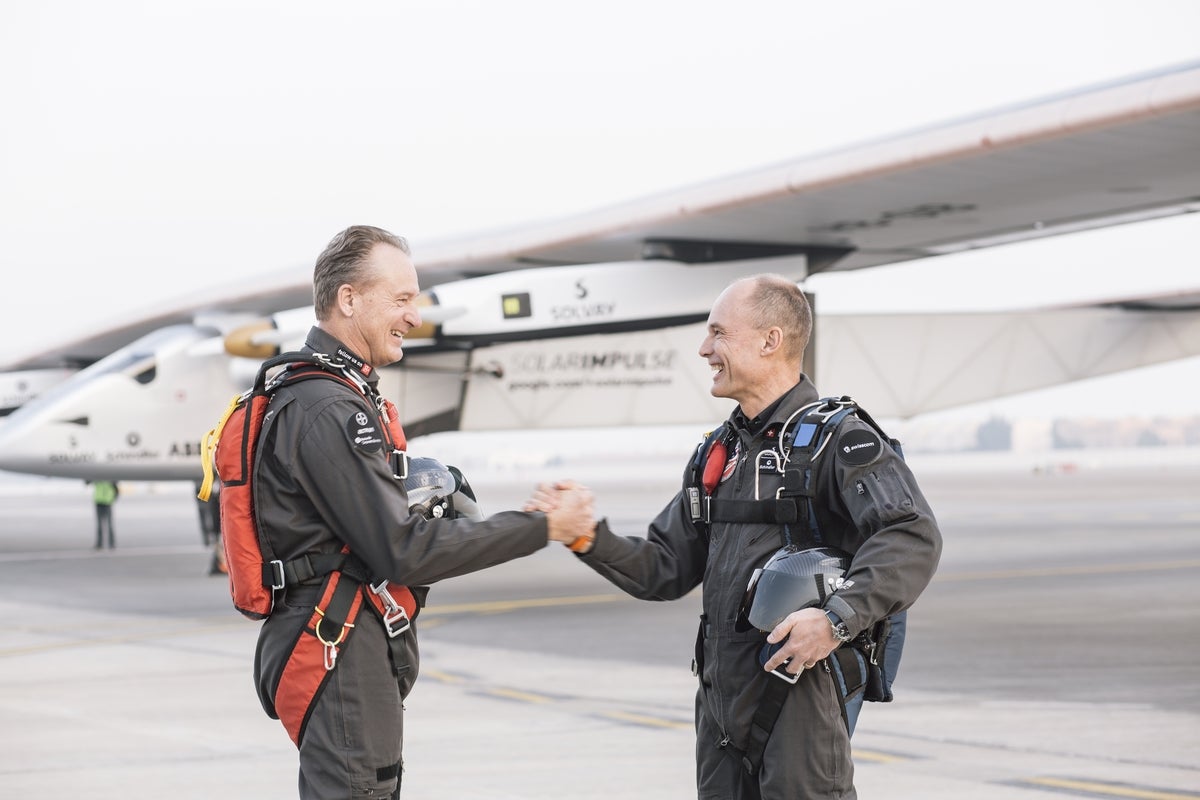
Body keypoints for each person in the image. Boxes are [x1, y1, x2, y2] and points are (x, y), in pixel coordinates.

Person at [529, 273, 942, 799]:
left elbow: (911, 536)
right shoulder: (717, 455)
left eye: (718, 333)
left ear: (770, 340)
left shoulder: (842, 439)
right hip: (721, 700)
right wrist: (584, 536)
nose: (704, 349)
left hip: (802, 689)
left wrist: (836, 620)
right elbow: (663, 567)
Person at [251, 224, 596, 799]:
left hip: (337, 638)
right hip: (336, 646)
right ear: (349, 299)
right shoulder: (329, 407)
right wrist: (540, 527)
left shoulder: (324, 394)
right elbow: (401, 549)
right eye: (402, 299)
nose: (415, 316)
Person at [92, 479, 118, 549]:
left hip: (107, 502)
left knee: (109, 525)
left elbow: (116, 489)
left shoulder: (110, 478)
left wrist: (113, 498)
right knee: (100, 525)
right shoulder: (97, 477)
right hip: (99, 502)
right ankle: (99, 544)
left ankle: (111, 543)